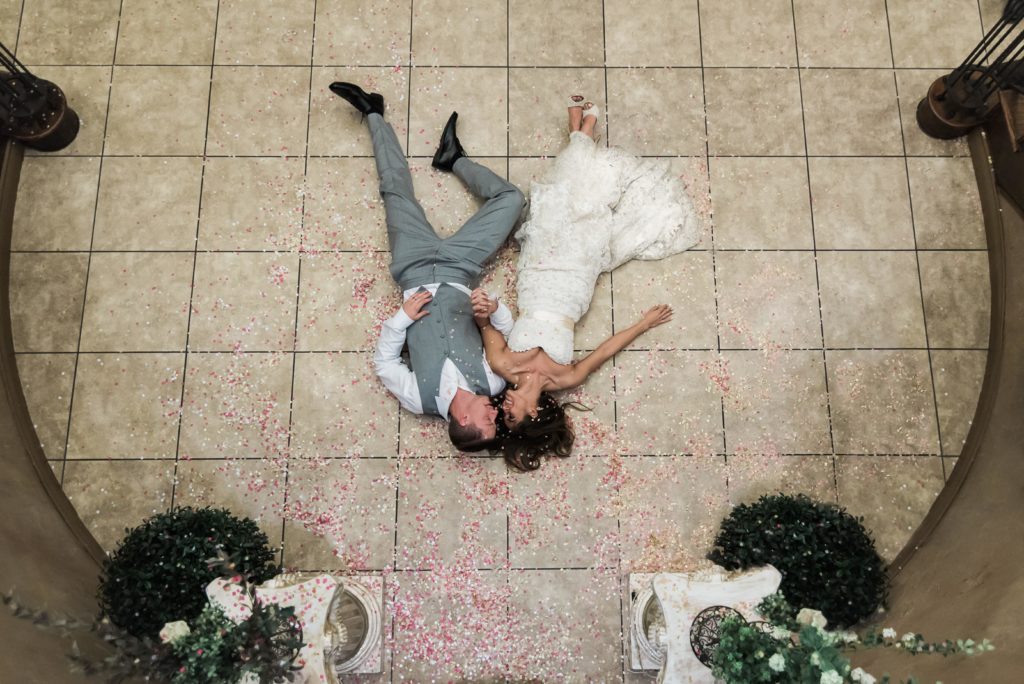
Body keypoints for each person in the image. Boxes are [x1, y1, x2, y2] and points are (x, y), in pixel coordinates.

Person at [472, 95, 700, 469]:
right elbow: (604, 352)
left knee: (557, 209)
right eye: (512, 417)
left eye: (504, 415)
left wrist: (484, 310)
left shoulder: (502, 365)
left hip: (538, 278)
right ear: (534, 415)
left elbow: (483, 321)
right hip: (574, 289)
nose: (504, 409)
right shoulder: (565, 379)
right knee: (588, 218)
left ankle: (582, 133)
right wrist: (643, 323)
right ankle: (582, 132)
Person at [328, 82, 525, 451]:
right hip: (460, 267)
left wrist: (402, 318)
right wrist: (495, 310)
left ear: (464, 421)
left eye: (489, 421)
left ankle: (373, 113)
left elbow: (385, 362)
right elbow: (511, 336)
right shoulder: (493, 383)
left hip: (413, 267)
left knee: (395, 192)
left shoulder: (419, 400)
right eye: (496, 419)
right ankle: (454, 159)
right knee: (512, 199)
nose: (495, 413)